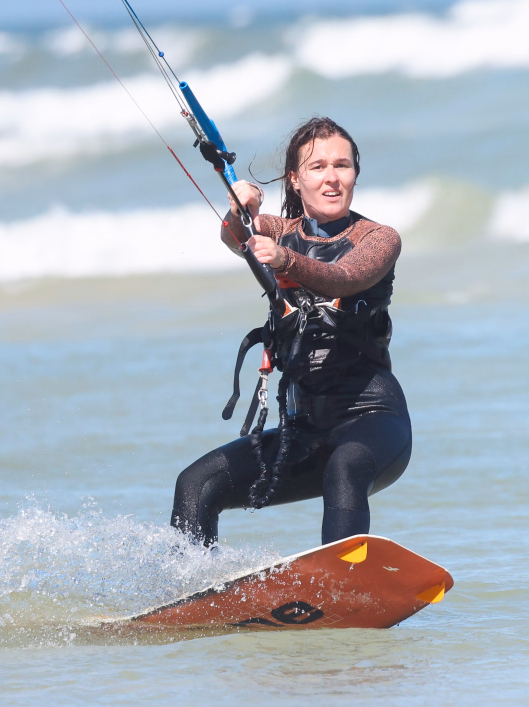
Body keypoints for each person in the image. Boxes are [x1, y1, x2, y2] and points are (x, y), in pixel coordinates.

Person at [171, 117, 411, 547]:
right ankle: (185, 595)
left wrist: (284, 260)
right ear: (295, 181)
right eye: (318, 167)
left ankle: (344, 585)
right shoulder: (278, 230)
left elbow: (342, 278)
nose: (333, 178)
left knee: (346, 469)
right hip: (302, 431)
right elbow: (235, 235)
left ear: (356, 173)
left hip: (372, 421)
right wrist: (239, 206)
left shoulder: (379, 238)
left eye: (343, 165)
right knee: (195, 483)